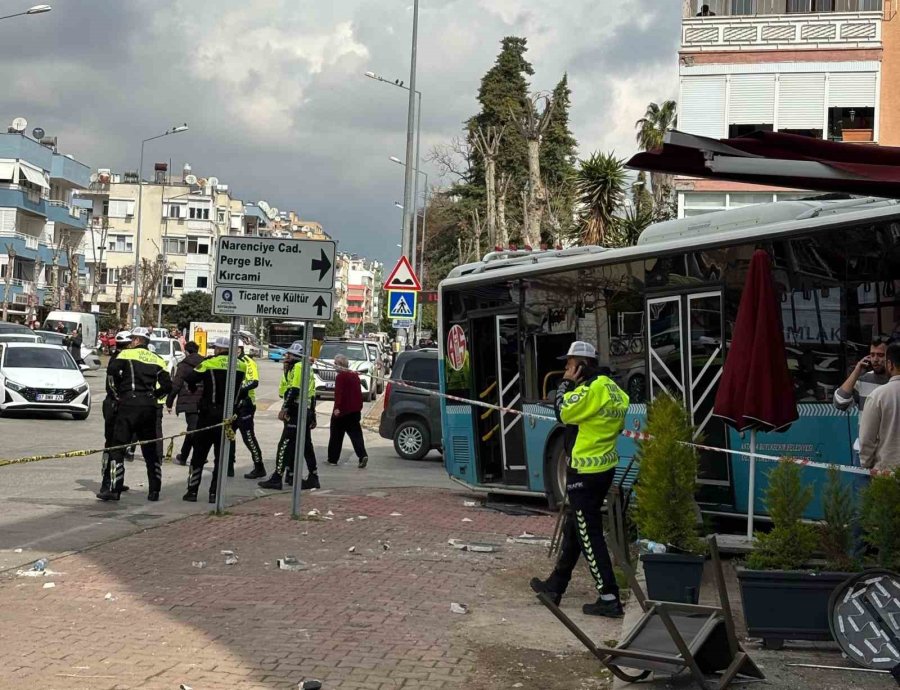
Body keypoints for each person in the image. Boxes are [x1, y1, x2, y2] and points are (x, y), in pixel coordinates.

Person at [530, 341, 629, 618]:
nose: (565, 368)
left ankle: (608, 596)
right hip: (604, 467)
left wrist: (564, 384)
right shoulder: (614, 390)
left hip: (584, 472)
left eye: (569, 364)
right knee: (576, 528)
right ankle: (555, 585)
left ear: (581, 366)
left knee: (590, 536)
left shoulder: (590, 390)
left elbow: (561, 410)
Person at [98, 326, 172, 502]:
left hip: (128, 406)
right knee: (150, 451)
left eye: (132, 339)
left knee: (117, 447)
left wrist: (118, 396)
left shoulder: (125, 355)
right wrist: (155, 396)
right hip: (149, 408)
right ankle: (154, 491)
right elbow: (168, 386)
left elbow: (111, 376)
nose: (130, 342)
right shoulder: (158, 359)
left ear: (138, 340)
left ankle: (115, 490)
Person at [182, 337, 248, 503]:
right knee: (221, 457)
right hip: (228, 417)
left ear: (218, 349)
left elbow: (190, 378)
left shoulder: (209, 363)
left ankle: (192, 492)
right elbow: (243, 392)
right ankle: (214, 493)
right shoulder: (241, 365)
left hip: (207, 415)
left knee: (199, 454)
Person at [259, 341, 319, 491]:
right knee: (305, 445)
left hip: (296, 410)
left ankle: (277, 477)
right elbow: (312, 394)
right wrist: (313, 415)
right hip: (305, 410)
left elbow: (294, 390)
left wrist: (284, 409)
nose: (287, 356)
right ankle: (311, 476)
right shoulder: (306, 367)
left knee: (285, 444)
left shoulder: (299, 367)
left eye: (290, 354)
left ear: (297, 356)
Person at [835, 337, 892, 461]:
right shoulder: (863, 379)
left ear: (891, 358)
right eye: (872, 354)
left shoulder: (895, 383)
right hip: (863, 452)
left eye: (881, 355)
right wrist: (856, 372)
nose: (875, 359)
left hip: (889, 453)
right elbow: (840, 403)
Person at [100, 331, 134, 496]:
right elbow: (112, 385)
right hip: (115, 405)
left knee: (118, 445)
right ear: (128, 344)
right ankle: (108, 485)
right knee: (113, 445)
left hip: (115, 403)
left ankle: (116, 481)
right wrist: (121, 400)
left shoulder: (120, 358)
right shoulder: (119, 360)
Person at [859, 342, 900, 471]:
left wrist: (866, 464)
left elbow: (866, 439)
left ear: (890, 364)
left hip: (887, 472)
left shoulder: (877, 396)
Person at [166, 341, 205, 466]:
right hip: (203, 401)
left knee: (193, 430)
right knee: (194, 429)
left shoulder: (183, 365)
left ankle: (197, 456)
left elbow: (176, 385)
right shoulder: (205, 363)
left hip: (189, 401)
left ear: (186, 352)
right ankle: (184, 455)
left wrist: (169, 401)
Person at [327, 354, 368, 468]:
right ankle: (362, 455)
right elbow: (358, 393)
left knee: (336, 436)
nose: (334, 366)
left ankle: (333, 459)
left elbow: (339, 394)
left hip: (342, 411)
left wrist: (337, 408)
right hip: (354, 411)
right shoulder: (354, 376)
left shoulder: (341, 377)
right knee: (356, 436)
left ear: (340, 365)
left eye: (335, 363)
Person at [236, 339, 267, 479]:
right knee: (228, 435)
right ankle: (228, 465)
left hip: (246, 404)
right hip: (233, 404)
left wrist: (239, 390)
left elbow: (254, 382)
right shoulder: (230, 360)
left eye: (236, 348)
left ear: (241, 349)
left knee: (248, 437)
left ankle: (259, 466)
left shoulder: (248, 362)